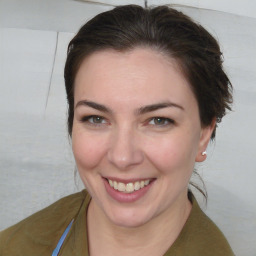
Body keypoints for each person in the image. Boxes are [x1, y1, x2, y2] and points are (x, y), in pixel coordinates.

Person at [0, 4, 234, 256]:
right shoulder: (13, 246)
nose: (122, 157)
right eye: (96, 118)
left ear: (203, 133)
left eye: (158, 121)